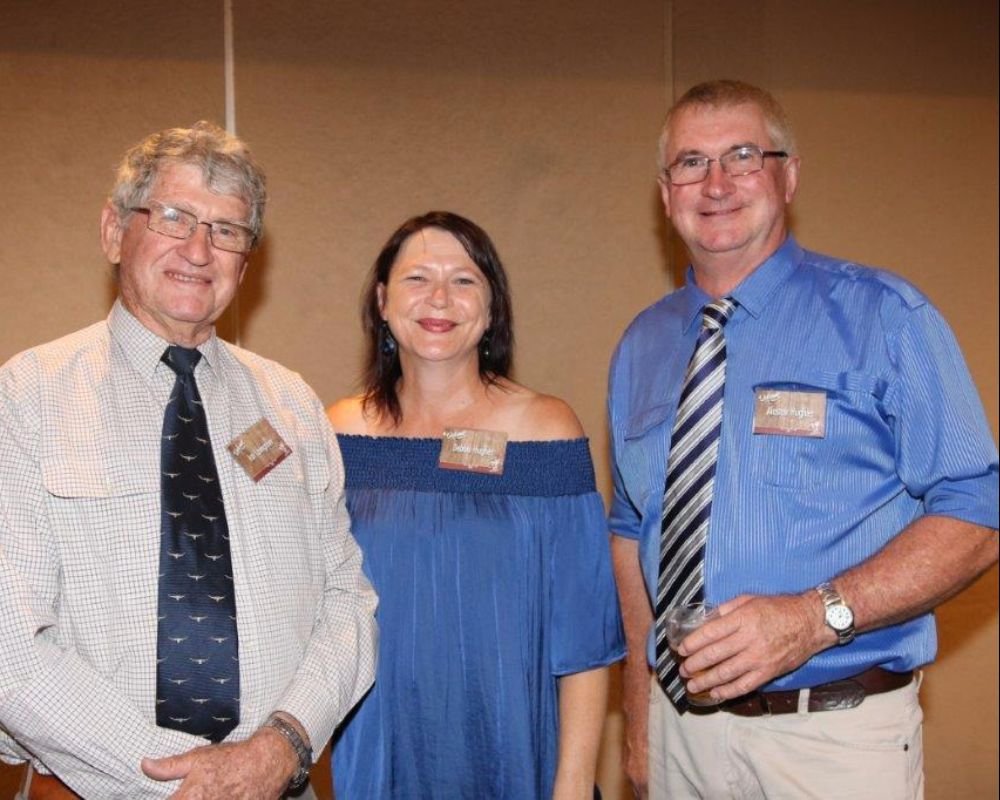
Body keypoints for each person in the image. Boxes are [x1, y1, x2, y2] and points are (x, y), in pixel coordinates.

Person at [608, 80, 999, 799]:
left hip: (832, 739)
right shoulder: (641, 345)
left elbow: (980, 512)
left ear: (788, 176)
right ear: (665, 194)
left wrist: (815, 618)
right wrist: (639, 714)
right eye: (691, 163)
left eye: (743, 156)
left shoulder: (884, 316)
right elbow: (633, 535)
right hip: (679, 736)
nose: (716, 183)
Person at [0, 122, 378, 799]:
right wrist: (179, 778)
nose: (199, 250)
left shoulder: (291, 404)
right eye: (174, 217)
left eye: (226, 230)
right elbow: (9, 644)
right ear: (114, 232)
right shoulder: (25, 398)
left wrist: (282, 746)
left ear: (246, 262)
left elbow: (346, 599)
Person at [326, 211, 624, 799]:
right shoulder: (338, 434)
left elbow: (584, 634)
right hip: (383, 749)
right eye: (418, 278)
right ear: (383, 301)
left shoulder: (546, 428)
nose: (439, 298)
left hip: (517, 752)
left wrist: (572, 784)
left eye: (463, 280)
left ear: (491, 310)